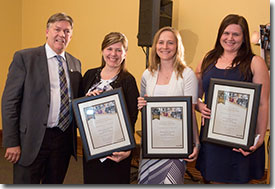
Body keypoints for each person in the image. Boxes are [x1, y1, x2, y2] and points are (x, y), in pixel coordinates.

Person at [1, 12, 82, 184]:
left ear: (71, 35)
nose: (61, 35)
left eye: (66, 31)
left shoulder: (75, 63)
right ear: (47, 32)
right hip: (31, 139)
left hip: (63, 140)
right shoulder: (25, 58)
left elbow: (77, 99)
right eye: (57, 29)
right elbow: (9, 102)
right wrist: (11, 141)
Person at [195, 14, 270, 184]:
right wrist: (199, 105)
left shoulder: (255, 62)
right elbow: (195, 95)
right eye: (226, 33)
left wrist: (258, 138)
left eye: (236, 34)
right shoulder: (207, 60)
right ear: (220, 34)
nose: (230, 38)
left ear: (244, 38)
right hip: (213, 138)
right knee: (213, 180)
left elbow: (263, 103)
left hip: (241, 138)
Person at [137, 26, 200, 184]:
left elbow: (190, 112)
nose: (165, 47)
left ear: (177, 46)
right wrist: (141, 104)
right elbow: (145, 107)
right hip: (152, 144)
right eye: (161, 42)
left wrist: (196, 143)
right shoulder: (147, 74)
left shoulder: (187, 75)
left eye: (170, 43)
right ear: (155, 46)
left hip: (176, 145)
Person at [82, 32, 139, 184]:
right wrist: (87, 101)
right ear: (102, 50)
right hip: (93, 148)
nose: (113, 54)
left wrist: (128, 149)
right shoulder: (89, 75)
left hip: (117, 150)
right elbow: (78, 108)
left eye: (119, 50)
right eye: (109, 49)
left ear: (125, 54)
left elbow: (132, 117)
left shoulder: (128, 80)